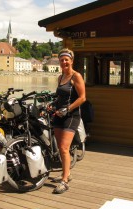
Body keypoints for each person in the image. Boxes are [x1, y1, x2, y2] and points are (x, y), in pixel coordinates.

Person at [51, 48, 86, 194]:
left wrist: (68, 109)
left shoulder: (75, 76)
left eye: (66, 59)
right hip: (59, 115)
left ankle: (64, 181)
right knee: (61, 147)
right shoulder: (60, 78)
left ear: (71, 61)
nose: (64, 62)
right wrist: (52, 105)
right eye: (61, 60)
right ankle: (67, 173)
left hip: (71, 116)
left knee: (65, 148)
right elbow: (59, 97)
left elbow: (82, 97)